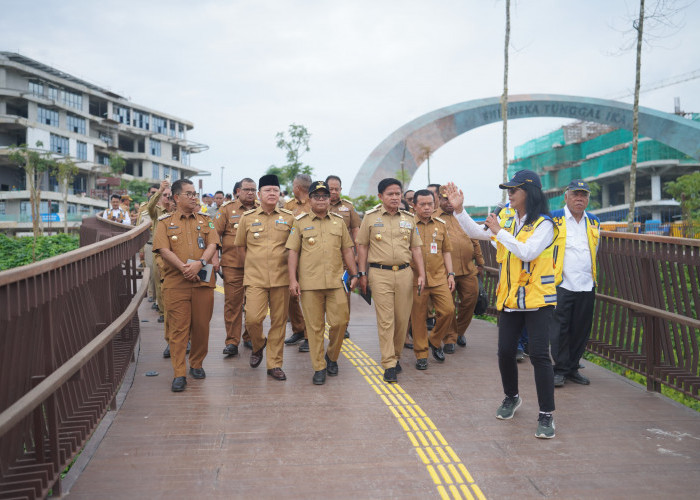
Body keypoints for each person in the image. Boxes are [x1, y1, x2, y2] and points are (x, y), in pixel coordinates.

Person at [445, 169, 559, 439]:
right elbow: (478, 232)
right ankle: (512, 397)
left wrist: (499, 232)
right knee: (505, 351)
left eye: (514, 189)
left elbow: (528, 251)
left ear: (528, 193)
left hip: (537, 301)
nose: (509, 193)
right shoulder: (508, 220)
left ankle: (546, 415)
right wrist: (460, 210)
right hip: (509, 299)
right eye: (508, 189)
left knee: (540, 356)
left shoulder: (545, 224)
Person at [287, 180, 358, 385]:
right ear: (309, 199)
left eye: (324, 196)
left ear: (329, 199)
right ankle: (319, 366)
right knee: (314, 328)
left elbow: (347, 250)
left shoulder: (338, 222)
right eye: (316, 196)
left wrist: (354, 275)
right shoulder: (299, 222)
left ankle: (332, 357)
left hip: (336, 283)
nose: (321, 200)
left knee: (340, 323)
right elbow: (293, 252)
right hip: (310, 284)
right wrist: (293, 280)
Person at [153, 179, 220, 392]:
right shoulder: (164, 223)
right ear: (176, 197)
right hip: (176, 282)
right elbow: (163, 250)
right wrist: (184, 268)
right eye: (189, 194)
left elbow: (213, 244)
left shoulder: (206, 220)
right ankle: (179, 372)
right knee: (179, 329)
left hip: (202, 281)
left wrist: (200, 263)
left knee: (201, 327)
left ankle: (197, 363)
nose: (193, 197)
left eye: (194, 194)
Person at [357, 178, 426, 383]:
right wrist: (362, 273)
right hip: (380, 274)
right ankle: (388, 363)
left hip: (405, 273)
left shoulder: (408, 218)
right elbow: (362, 246)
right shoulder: (370, 218)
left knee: (402, 320)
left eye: (398, 193)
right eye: (390, 194)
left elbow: (416, 248)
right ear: (380, 196)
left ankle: (395, 356)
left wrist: (421, 274)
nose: (395, 197)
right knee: (386, 320)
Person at [234, 174, 295, 381]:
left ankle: (274, 364)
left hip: (281, 278)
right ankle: (259, 345)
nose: (272, 194)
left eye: (275, 191)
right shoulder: (247, 218)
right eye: (267, 190)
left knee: (278, 322)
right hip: (255, 278)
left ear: (280, 194)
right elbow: (241, 247)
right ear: (259, 194)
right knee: (252, 318)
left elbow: (295, 249)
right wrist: (251, 267)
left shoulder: (289, 218)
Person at [550, 180, 600, 387]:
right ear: (566, 196)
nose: (579, 199)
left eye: (583, 195)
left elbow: (595, 250)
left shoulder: (594, 222)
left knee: (581, 328)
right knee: (560, 328)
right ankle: (560, 369)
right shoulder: (554, 219)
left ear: (588, 198)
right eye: (575, 194)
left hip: (587, 284)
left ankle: (572, 368)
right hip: (561, 283)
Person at [409, 190, 455, 370]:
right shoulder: (408, 224)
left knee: (448, 310)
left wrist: (450, 274)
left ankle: (434, 341)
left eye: (430, 204)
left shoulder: (441, 225)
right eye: (422, 204)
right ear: (414, 205)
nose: (427, 208)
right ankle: (421, 354)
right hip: (416, 279)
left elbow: (446, 251)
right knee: (418, 318)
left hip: (439, 277)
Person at [435, 185, 485, 352]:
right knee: (448, 306)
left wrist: (480, 262)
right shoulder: (434, 218)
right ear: (439, 200)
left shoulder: (461, 216)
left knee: (470, 300)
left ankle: (459, 332)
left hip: (468, 268)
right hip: (445, 271)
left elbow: (475, 238)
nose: (448, 202)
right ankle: (449, 338)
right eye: (445, 199)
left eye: (451, 199)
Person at [214, 178, 256, 357]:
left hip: (256, 266)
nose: (250, 193)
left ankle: (249, 337)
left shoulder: (261, 209)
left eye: (254, 190)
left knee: (254, 304)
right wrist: (215, 258)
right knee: (233, 304)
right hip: (233, 265)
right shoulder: (227, 209)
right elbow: (214, 235)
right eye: (247, 189)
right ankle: (232, 341)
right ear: (238, 191)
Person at [326, 174, 361, 338]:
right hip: (323, 258)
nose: (334, 192)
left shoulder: (348, 208)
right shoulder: (318, 205)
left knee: (344, 292)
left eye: (336, 189)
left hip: (344, 258)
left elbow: (355, 230)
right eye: (330, 189)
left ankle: (343, 325)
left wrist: (356, 253)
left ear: (341, 189)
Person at [283, 174, 311, 351]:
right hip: (292, 255)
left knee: (308, 298)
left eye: (293, 185)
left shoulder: (314, 203)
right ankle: (298, 329)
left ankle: (310, 335)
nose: (292, 188)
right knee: (291, 296)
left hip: (309, 257)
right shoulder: (289, 206)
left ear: (298, 187)